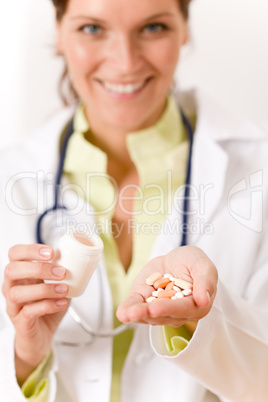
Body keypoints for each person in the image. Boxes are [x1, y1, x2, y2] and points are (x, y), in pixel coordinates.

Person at [0, 0, 267, 401]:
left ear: (184, 28)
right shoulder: (12, 174)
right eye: (92, 28)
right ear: (58, 32)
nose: (125, 63)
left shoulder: (255, 170)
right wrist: (24, 357)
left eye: (153, 27)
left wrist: (207, 320)